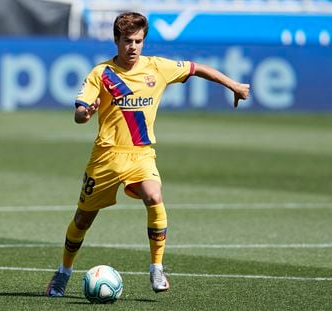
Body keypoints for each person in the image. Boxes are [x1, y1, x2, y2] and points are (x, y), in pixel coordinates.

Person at [46, 11, 250, 297]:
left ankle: (156, 268)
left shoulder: (157, 67)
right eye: (128, 40)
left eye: (138, 41)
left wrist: (235, 85)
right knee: (83, 220)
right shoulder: (101, 73)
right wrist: (86, 113)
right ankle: (63, 273)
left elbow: (197, 68)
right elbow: (79, 114)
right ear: (116, 40)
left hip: (141, 154)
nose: (133, 47)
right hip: (105, 157)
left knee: (154, 196)